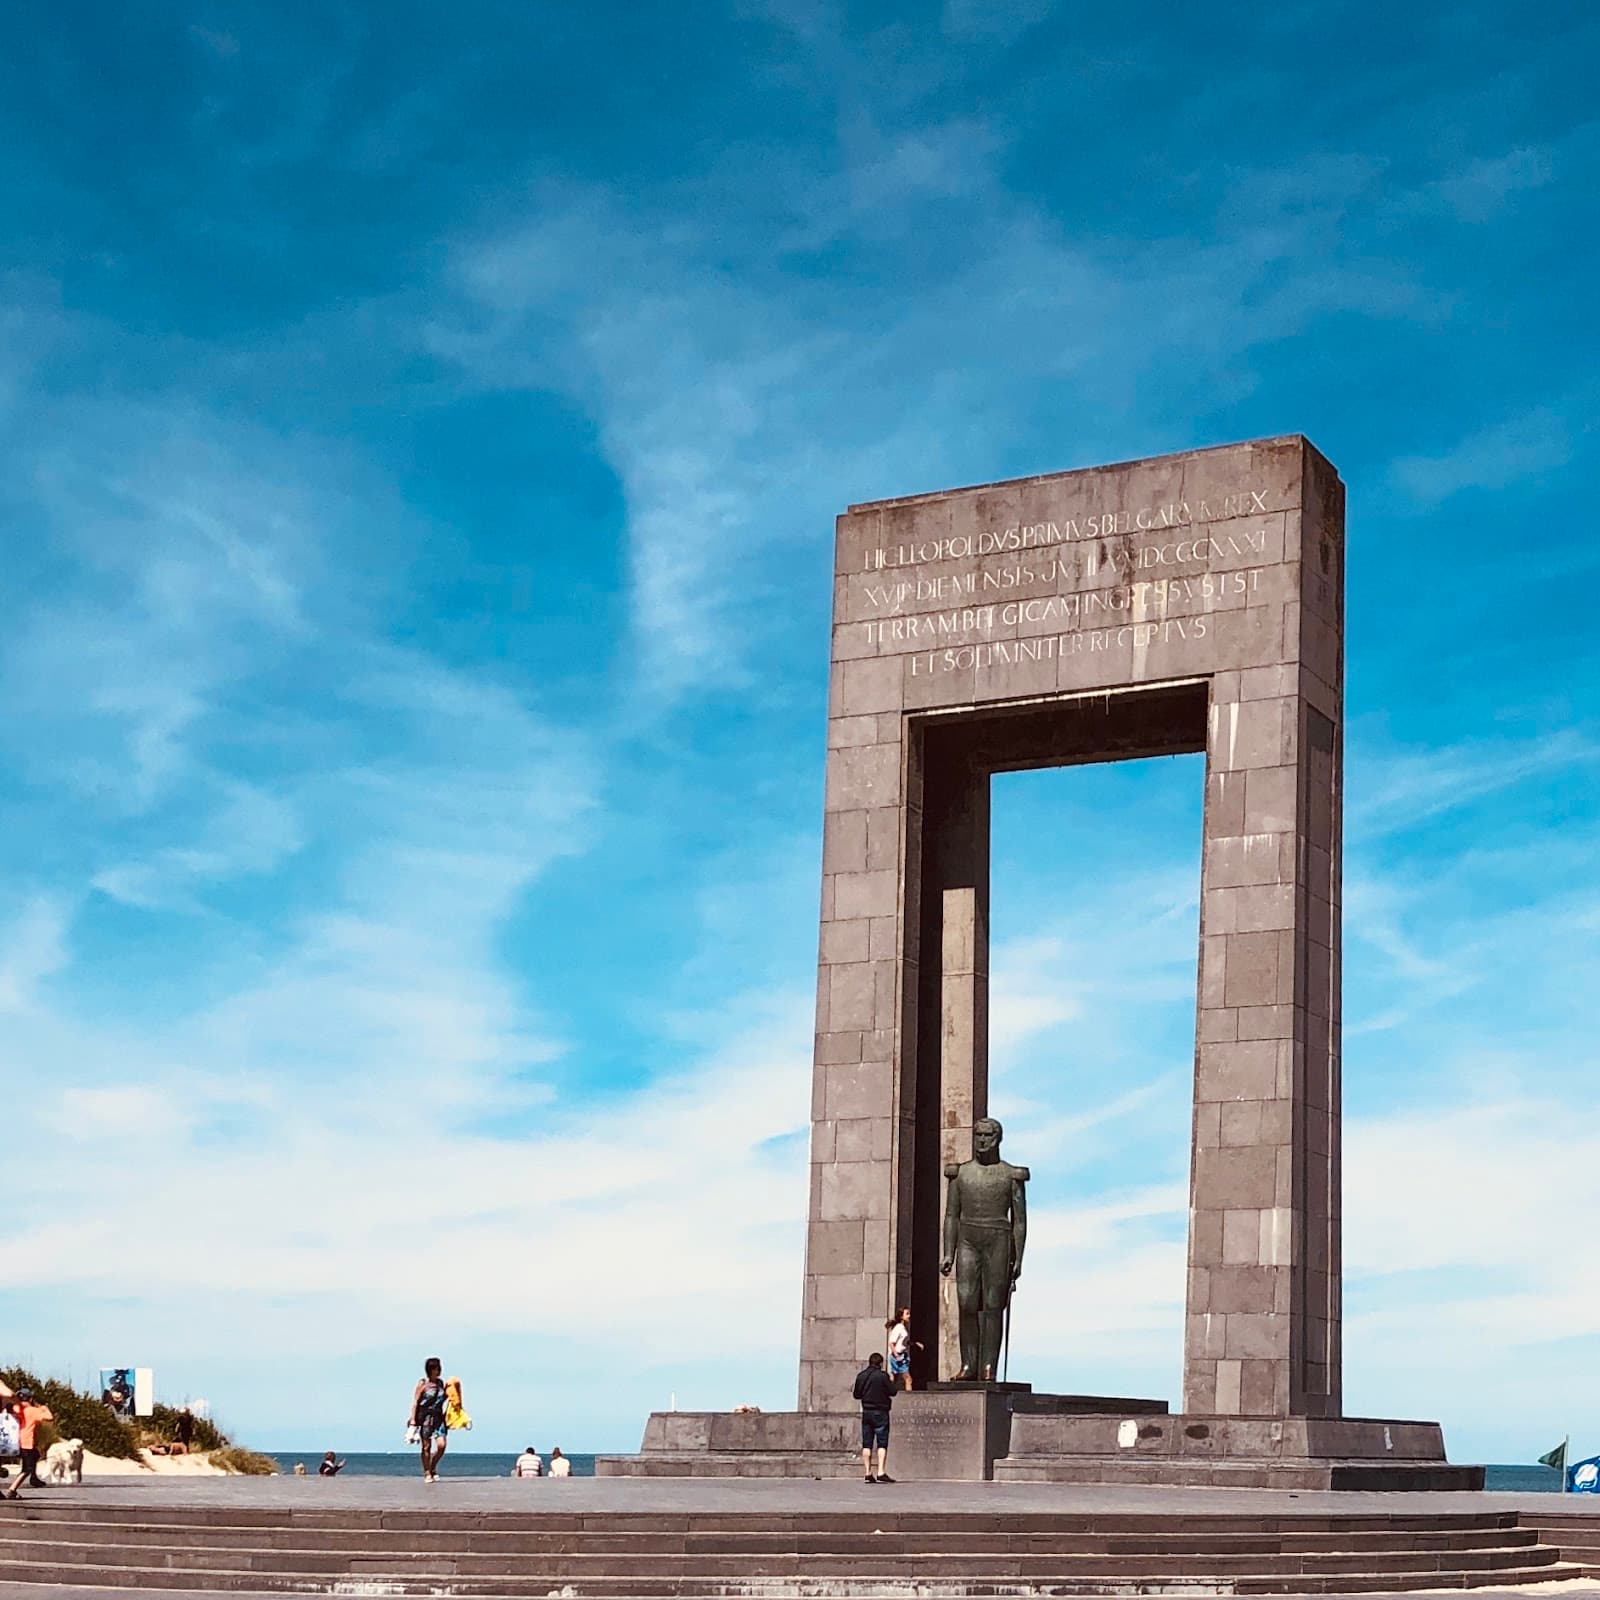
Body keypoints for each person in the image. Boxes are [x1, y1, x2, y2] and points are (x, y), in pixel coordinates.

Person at [852, 1351, 895, 1484]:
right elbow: (893, 1391)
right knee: (882, 1442)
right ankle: (881, 1471)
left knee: (867, 1443)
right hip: (881, 1412)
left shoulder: (861, 1376)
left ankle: (867, 1472)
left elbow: (856, 1395)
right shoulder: (883, 1376)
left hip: (867, 1412)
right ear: (880, 1363)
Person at [5, 1387, 54, 1498]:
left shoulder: (17, 1409)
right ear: (30, 1399)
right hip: (27, 1442)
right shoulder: (34, 1411)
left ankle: (34, 1478)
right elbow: (50, 1418)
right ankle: (12, 1490)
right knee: (26, 1469)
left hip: (15, 1442)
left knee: (35, 1455)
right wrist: (44, 1408)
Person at [408, 1357, 450, 1482]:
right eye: (436, 1369)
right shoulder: (423, 1384)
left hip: (438, 1417)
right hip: (425, 1417)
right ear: (430, 1370)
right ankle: (427, 1472)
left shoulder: (441, 1383)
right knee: (426, 1446)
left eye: (439, 1368)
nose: (438, 1371)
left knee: (442, 1445)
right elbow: (416, 1402)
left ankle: (432, 1466)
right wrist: (413, 1420)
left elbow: (444, 1398)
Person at [885, 1307, 922, 1392]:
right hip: (897, 1356)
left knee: (895, 1378)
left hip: (900, 1355)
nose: (909, 1316)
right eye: (907, 1314)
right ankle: (908, 1397)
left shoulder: (902, 1328)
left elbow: (903, 1342)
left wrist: (915, 1343)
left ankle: (888, 1393)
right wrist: (896, 1354)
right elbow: (891, 1343)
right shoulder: (898, 1328)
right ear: (901, 1316)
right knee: (907, 1379)